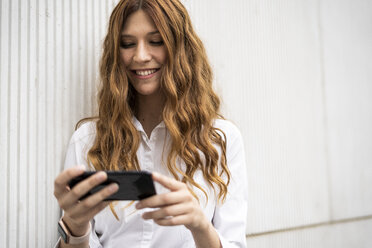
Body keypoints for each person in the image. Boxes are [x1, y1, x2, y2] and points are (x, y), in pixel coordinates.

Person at [53, 0, 248, 247]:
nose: (141, 56)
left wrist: (199, 225)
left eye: (156, 41)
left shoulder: (221, 139)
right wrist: (75, 226)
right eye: (128, 44)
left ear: (180, 48)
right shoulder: (87, 141)